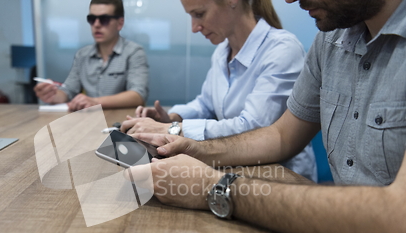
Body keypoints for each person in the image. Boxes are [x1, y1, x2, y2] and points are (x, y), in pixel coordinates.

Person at [129, 0, 406, 233]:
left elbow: (397, 219)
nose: (288, 1)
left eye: (199, 14)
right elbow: (280, 136)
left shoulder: (283, 48)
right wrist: (193, 148)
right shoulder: (331, 40)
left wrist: (213, 187)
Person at [120, 0, 317, 181]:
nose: (194, 28)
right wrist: (171, 116)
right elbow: (206, 103)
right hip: (237, 169)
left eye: (199, 14)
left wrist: (175, 129)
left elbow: (253, 129)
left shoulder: (282, 50)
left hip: (282, 178)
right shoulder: (222, 51)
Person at [34, 0, 149, 111]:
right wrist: (51, 95)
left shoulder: (134, 52)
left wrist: (95, 102)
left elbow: (138, 95)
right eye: (92, 19)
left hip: (121, 122)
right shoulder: (82, 55)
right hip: (89, 120)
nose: (96, 24)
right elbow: (68, 91)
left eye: (104, 19)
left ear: (120, 23)